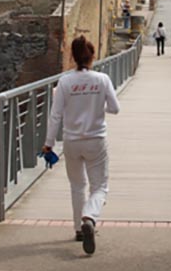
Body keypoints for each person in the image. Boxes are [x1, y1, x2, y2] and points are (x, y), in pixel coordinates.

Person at [43, 36, 120, 254]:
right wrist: (95, 107)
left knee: (77, 185)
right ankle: (90, 217)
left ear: (73, 56)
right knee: (100, 186)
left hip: (71, 140)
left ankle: (78, 228)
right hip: (96, 139)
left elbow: (55, 115)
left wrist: (49, 143)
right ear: (92, 56)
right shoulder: (102, 79)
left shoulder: (65, 82)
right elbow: (115, 108)